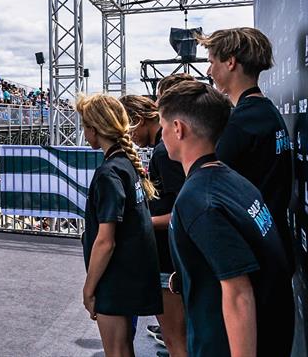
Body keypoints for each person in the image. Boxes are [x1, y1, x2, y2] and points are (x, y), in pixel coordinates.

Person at [159, 80, 294, 357]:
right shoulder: (236, 182)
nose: (161, 135)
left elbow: (238, 292)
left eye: (162, 125)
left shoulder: (199, 200)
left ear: (178, 128)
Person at [198, 27, 295, 268]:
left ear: (230, 62)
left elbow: (210, 189)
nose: (208, 71)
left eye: (211, 62)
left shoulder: (241, 122)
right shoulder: (266, 111)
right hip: (272, 244)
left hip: (254, 256)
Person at [75, 93, 162, 357]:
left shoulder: (109, 173)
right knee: (123, 349)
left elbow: (106, 240)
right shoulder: (126, 164)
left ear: (94, 130)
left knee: (116, 351)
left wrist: (89, 288)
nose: (84, 132)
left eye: (85, 126)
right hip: (129, 272)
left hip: (114, 277)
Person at [119, 94, 186, 357]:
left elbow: (182, 211)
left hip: (169, 262)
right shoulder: (162, 150)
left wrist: (140, 223)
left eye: (128, 129)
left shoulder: (163, 152)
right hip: (170, 258)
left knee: (176, 340)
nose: (129, 137)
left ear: (137, 119)